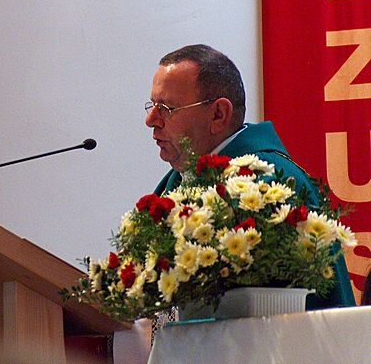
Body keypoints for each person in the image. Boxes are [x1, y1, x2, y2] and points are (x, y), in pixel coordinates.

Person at [144, 44, 354, 309]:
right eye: (152, 105)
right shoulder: (176, 182)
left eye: (166, 108)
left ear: (219, 115)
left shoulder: (268, 185)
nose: (151, 120)